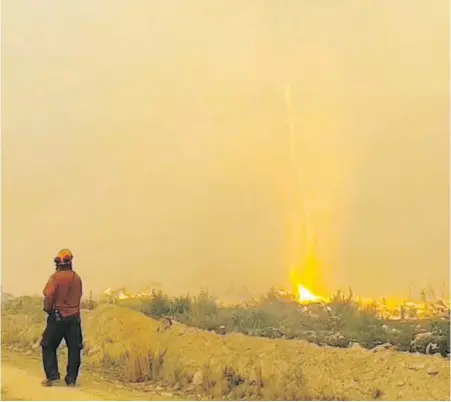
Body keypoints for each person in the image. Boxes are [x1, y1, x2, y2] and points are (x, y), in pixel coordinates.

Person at [41, 249, 83, 387]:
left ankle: (52, 377)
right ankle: (71, 380)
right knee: (74, 348)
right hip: (74, 318)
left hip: (57, 317)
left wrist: (48, 310)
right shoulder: (77, 278)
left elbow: (49, 296)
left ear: (58, 263)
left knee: (48, 345)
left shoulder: (56, 277)